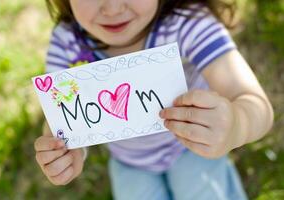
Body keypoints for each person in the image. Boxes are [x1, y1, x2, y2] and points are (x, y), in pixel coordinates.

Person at [34, 0, 274, 199]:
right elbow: (59, 118)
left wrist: (236, 125)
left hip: (193, 151)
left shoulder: (187, 23)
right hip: (129, 162)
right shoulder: (67, 42)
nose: (113, 8)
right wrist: (64, 148)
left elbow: (254, 102)